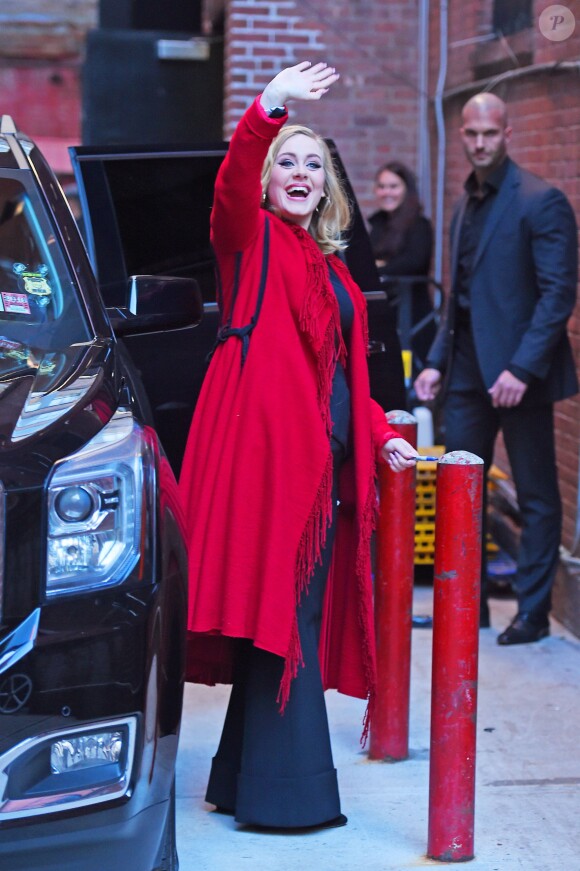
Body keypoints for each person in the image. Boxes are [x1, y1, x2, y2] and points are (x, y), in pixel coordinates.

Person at [179, 61, 418, 831]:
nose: (301, 173)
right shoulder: (251, 244)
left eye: (314, 165)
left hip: (321, 472)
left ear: (328, 188)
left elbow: (346, 378)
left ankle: (239, 780)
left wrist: (379, 436)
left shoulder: (331, 266)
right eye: (289, 161)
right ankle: (293, 799)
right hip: (270, 472)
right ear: (268, 177)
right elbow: (229, 188)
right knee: (288, 624)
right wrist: (271, 109)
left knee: (288, 621)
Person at [414, 92, 578, 644]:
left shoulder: (541, 200)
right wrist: (435, 362)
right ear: (462, 135)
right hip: (463, 374)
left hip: (519, 377)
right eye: (471, 134)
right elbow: (459, 300)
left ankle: (531, 613)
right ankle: (468, 606)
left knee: (534, 494)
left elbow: (558, 296)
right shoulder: (465, 205)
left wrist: (523, 369)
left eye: (489, 133)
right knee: (461, 488)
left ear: (507, 135)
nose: (479, 142)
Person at [368, 161, 436, 374]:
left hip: (412, 317)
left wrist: (380, 268)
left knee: (411, 379)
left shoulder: (419, 225)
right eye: (381, 186)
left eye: (393, 186)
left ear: (406, 189)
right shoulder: (378, 225)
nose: (386, 192)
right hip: (386, 314)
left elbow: (414, 262)